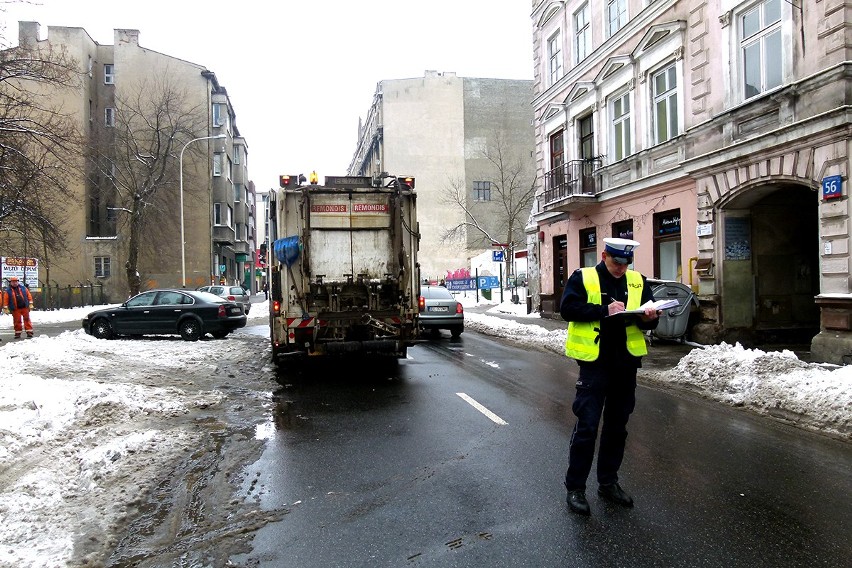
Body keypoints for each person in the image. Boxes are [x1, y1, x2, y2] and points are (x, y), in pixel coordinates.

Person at [559, 237, 659, 516]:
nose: (622, 268)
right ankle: (576, 488)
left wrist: (650, 317)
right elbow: (567, 309)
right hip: (595, 364)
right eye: (617, 262)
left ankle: (608, 482)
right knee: (587, 426)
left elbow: (649, 313)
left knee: (617, 427)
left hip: (626, 364)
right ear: (604, 256)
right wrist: (604, 311)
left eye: (627, 263)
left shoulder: (637, 280)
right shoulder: (584, 277)